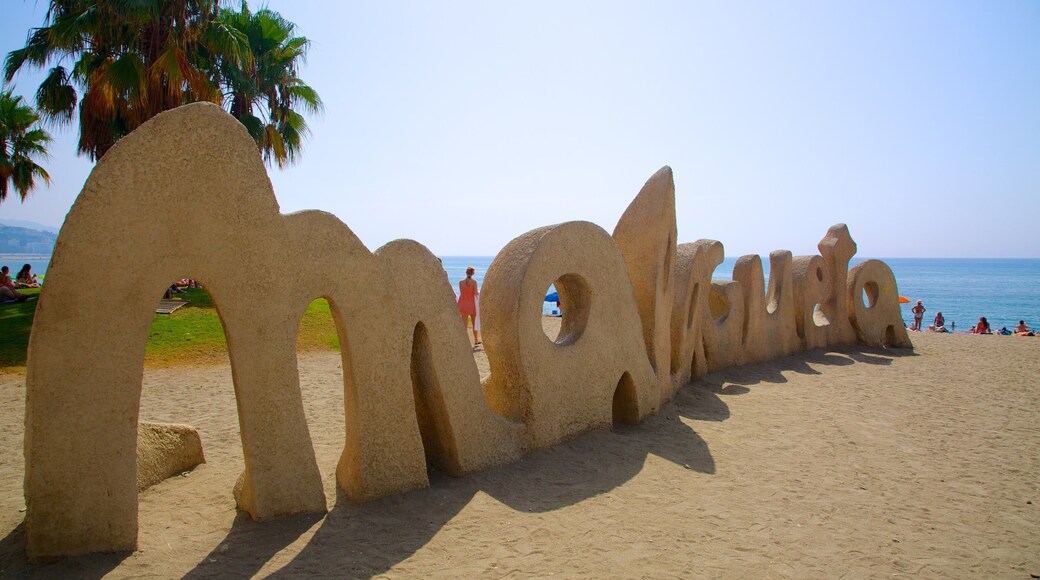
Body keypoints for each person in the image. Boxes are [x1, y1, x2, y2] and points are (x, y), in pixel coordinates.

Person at [457, 266, 480, 346]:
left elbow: (461, 292)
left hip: (463, 303)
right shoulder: (474, 282)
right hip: (471, 304)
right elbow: (475, 293)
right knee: (474, 323)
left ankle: (464, 341)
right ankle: (476, 340)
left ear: (466, 272)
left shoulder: (460, 282)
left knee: (464, 324)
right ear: (473, 273)